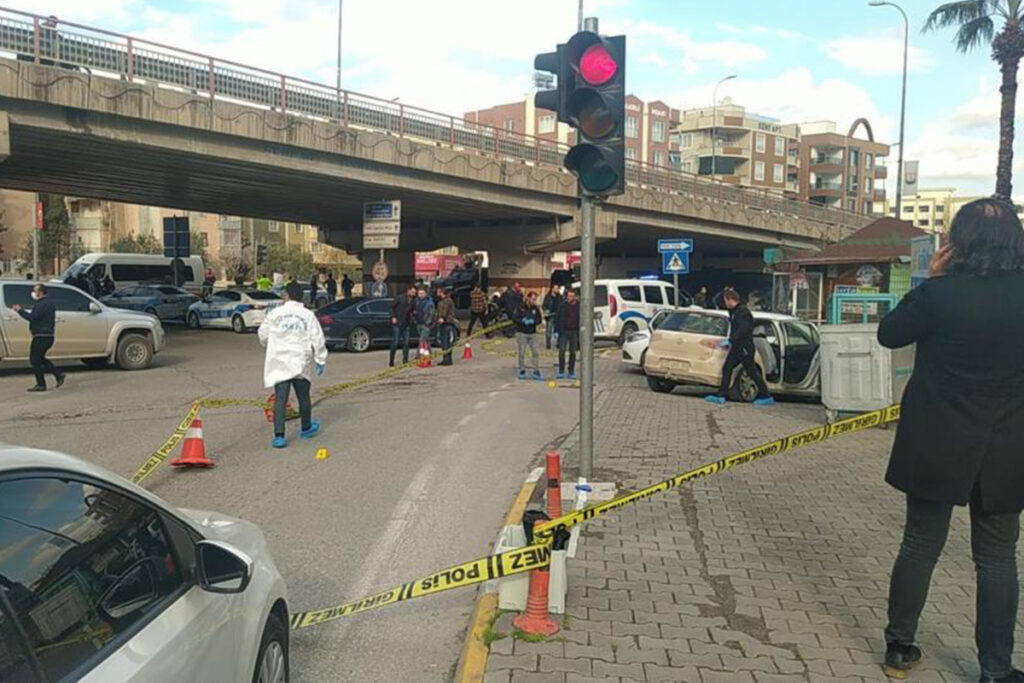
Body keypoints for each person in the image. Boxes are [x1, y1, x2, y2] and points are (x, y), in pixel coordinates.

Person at [876, 198, 1024, 682]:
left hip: (937, 441)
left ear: (956, 243)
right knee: (998, 558)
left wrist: (930, 282)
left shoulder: (941, 295)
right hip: (1007, 448)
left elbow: (890, 334)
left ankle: (900, 649)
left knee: (920, 545)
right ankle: (995, 670)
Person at [257, 281, 327, 449]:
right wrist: (320, 359)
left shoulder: (275, 314)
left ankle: (279, 436)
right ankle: (306, 427)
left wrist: (272, 344)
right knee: (304, 397)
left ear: (285, 295)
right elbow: (317, 338)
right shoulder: (307, 314)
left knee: (280, 398)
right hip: (300, 360)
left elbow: (262, 334)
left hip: (280, 361)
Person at [704, 289, 773, 405]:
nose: (725, 304)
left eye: (725, 301)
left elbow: (743, 329)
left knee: (751, 371)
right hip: (736, 348)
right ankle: (721, 394)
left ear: (730, 300)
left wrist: (730, 341)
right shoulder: (734, 312)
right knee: (727, 368)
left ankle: (766, 395)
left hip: (745, 348)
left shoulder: (743, 312)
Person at [12, 284, 65, 392]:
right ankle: (58, 374)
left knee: (35, 360)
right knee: (39, 358)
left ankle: (41, 384)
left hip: (42, 335)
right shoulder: (47, 303)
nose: (33, 293)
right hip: (46, 335)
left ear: (40, 292)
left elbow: (32, 318)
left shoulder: (42, 304)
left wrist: (19, 310)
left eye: (35, 291)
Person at [514, 291, 543, 380]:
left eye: (535, 299)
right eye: (533, 299)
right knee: (522, 352)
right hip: (521, 333)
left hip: (532, 333)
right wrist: (523, 321)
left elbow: (539, 319)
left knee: (536, 352)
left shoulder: (535, 308)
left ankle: (536, 370)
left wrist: (534, 322)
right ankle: (522, 369)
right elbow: (515, 318)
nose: (534, 301)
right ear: (528, 298)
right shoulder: (520, 307)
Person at [389, 285, 417, 366]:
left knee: (406, 342)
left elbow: (412, 310)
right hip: (397, 323)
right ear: (408, 291)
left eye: (414, 293)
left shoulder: (413, 301)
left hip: (406, 323)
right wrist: (393, 317)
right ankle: (391, 360)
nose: (413, 294)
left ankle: (405, 360)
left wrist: (413, 314)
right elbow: (391, 307)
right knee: (395, 342)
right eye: (412, 292)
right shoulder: (400, 298)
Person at [557, 288, 580, 380]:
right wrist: (556, 330)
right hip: (564, 331)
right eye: (568, 296)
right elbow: (557, 318)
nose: (569, 298)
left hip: (574, 331)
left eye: (571, 296)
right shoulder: (562, 305)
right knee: (561, 351)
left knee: (572, 352)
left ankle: (571, 371)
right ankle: (561, 370)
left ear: (575, 297)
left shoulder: (578, 306)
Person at [435, 287, 457, 366]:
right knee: (447, 342)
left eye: (438, 292)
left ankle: (446, 360)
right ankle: (448, 359)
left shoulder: (445, 301)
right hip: (447, 323)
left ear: (442, 292)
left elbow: (444, 310)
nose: (437, 293)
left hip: (445, 323)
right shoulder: (445, 300)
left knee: (445, 342)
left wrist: (442, 318)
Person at [414, 286, 435, 350]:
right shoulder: (417, 302)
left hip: (426, 324)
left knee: (422, 340)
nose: (421, 295)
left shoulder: (429, 303)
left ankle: (418, 355)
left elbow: (431, 313)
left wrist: (428, 323)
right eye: (419, 293)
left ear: (426, 294)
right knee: (426, 340)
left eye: (422, 293)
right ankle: (429, 354)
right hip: (419, 323)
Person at [542, 285, 563, 350]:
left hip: (558, 315)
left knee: (558, 330)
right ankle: (548, 344)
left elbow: (562, 305)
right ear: (552, 289)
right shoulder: (548, 297)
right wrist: (546, 310)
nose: (557, 290)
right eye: (556, 288)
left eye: (558, 288)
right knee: (549, 330)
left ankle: (558, 344)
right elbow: (544, 305)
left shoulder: (560, 297)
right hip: (550, 315)